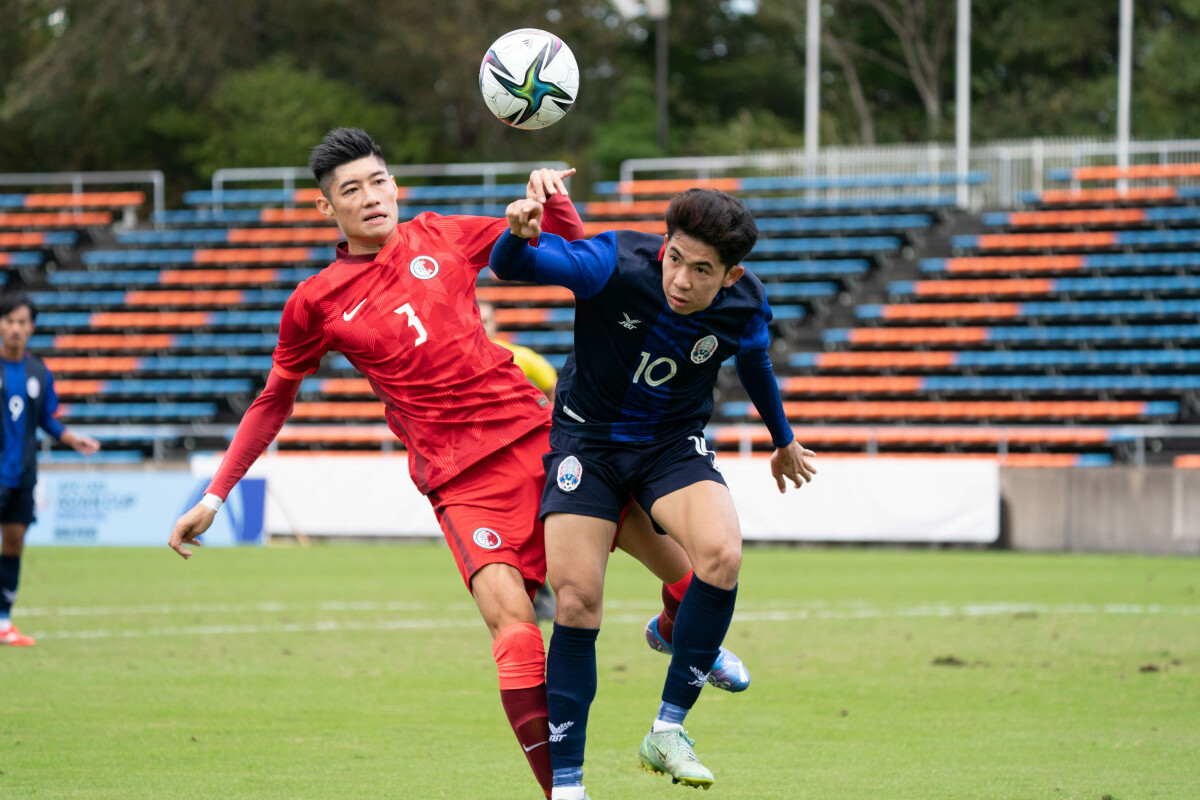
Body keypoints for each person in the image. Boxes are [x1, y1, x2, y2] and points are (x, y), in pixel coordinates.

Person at [165, 128, 742, 799]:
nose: (370, 197)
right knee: (515, 634)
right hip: (462, 483)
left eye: (378, 180)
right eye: (350, 190)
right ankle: (564, 791)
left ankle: (676, 631)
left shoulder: (440, 235)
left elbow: (581, 262)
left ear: (394, 184)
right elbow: (272, 401)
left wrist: (547, 205)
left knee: (682, 570)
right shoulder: (314, 302)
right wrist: (214, 495)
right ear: (327, 209)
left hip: (543, 441)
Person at [490, 187, 818, 797]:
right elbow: (511, 267)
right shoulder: (612, 262)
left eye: (703, 271)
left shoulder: (745, 302)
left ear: (731, 275)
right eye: (676, 259)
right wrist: (517, 232)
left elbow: (755, 362)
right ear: (664, 245)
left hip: (668, 445)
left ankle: (667, 730)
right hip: (585, 446)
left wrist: (783, 438)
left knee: (721, 555)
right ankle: (568, 787)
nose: (683, 281)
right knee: (578, 602)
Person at [0, 292, 101, 647]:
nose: (15, 328)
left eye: (22, 322)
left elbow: (47, 420)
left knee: (13, 543)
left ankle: (3, 622)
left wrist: (73, 438)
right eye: (9, 320)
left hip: (23, 473)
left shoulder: (38, 372)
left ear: (32, 328)